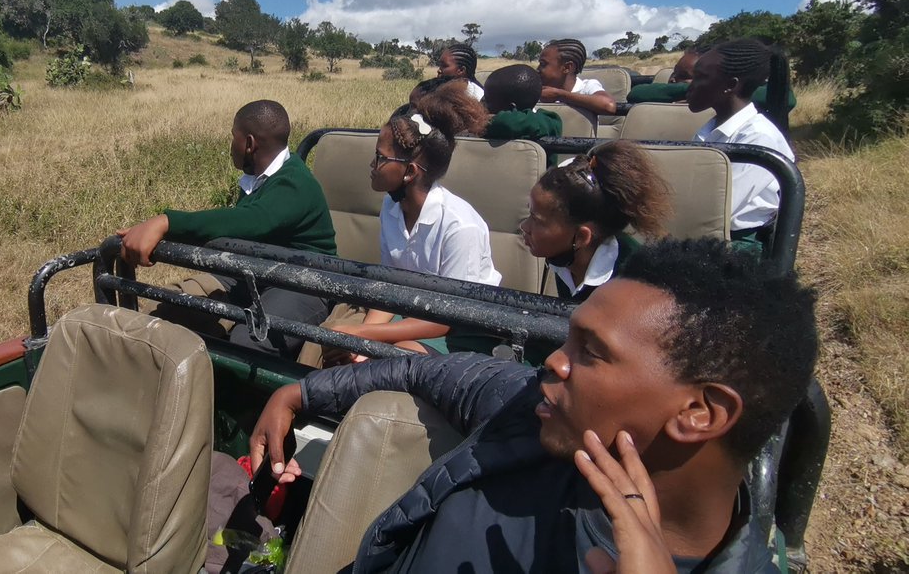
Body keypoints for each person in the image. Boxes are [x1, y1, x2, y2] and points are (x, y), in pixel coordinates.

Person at [250, 237, 819, 573]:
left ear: (701, 413)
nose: (553, 363)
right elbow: (428, 368)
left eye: (590, 353)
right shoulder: (534, 411)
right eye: (568, 339)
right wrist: (298, 393)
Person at [117, 99, 337, 359]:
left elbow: (249, 221)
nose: (230, 145)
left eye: (233, 137)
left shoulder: (295, 184)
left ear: (250, 143)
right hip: (257, 270)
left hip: (302, 280)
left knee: (249, 341)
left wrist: (167, 222)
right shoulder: (259, 178)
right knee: (169, 310)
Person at [324, 81, 499, 362]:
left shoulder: (460, 227)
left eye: (381, 158)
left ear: (410, 172)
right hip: (413, 313)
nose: (372, 165)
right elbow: (391, 285)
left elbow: (446, 318)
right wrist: (360, 337)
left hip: (462, 330)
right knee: (341, 349)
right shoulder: (391, 207)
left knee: (390, 358)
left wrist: (365, 336)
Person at [520, 140, 671, 302]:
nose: (524, 227)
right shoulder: (566, 256)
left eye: (537, 220)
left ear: (581, 238)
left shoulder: (635, 286)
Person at [686, 38, 795, 248]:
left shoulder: (759, 137)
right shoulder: (709, 129)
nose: (690, 87)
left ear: (731, 85)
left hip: (735, 244)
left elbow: (717, 209)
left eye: (700, 78)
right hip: (700, 233)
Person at [627, 47, 797, 127]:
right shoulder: (711, 126)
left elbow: (785, 98)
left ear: (729, 86)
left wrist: (699, 92)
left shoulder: (755, 136)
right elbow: (636, 94)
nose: (673, 80)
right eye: (675, 74)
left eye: (696, 78)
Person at [478, 64, 562, 162]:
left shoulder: (549, 121)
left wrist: (477, 122)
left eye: (487, 100)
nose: (482, 103)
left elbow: (507, 122)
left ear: (511, 109)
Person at [537, 38, 617, 128]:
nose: (538, 69)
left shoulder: (587, 87)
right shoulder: (537, 91)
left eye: (543, 64)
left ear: (567, 67)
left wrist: (559, 95)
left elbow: (609, 106)